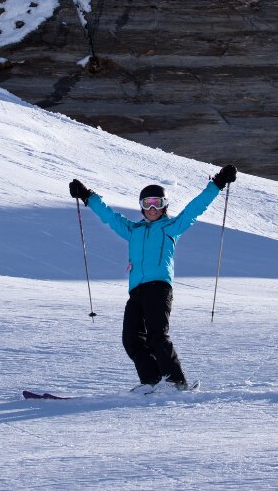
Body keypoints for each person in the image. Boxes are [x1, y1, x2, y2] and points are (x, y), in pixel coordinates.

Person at [68, 164, 237, 391]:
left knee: (157, 336)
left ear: (164, 205)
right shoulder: (133, 230)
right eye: (147, 203)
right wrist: (87, 196)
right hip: (137, 291)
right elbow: (109, 217)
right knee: (132, 340)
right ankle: (152, 382)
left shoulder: (171, 227)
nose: (152, 207)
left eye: (157, 202)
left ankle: (176, 382)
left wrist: (218, 183)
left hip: (159, 288)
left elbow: (194, 208)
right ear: (141, 207)